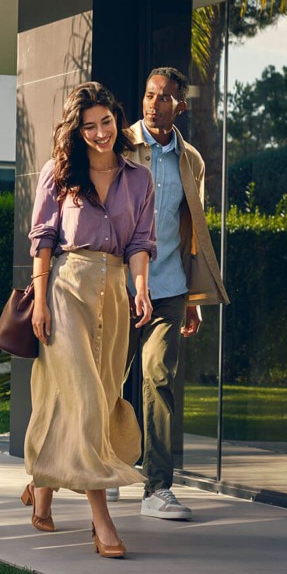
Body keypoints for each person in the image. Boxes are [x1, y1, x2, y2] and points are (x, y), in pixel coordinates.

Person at [22, 81, 154, 559]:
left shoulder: (139, 179)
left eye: (106, 122)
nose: (99, 133)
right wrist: (39, 299)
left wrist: (140, 288)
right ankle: (102, 522)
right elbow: (42, 240)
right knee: (84, 400)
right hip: (64, 290)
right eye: (88, 126)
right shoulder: (58, 174)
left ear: (117, 120)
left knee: (94, 393)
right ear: (76, 132)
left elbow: (141, 243)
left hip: (114, 295)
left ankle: (42, 480)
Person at [121, 67, 229, 519]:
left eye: (164, 97)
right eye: (148, 95)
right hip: (119, 286)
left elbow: (191, 231)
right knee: (109, 382)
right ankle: (106, 471)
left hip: (168, 289)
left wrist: (194, 300)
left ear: (179, 106)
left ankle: (156, 489)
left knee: (158, 379)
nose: (153, 103)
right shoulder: (122, 146)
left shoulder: (192, 161)